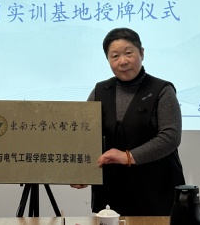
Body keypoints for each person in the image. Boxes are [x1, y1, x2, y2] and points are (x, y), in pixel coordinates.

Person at [71, 27, 185, 216]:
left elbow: (170, 137)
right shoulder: (100, 91)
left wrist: (128, 157)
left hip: (155, 190)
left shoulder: (162, 90)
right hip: (112, 193)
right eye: (115, 56)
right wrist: (82, 170)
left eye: (128, 53)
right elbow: (85, 135)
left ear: (141, 53)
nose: (123, 61)